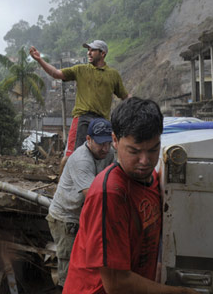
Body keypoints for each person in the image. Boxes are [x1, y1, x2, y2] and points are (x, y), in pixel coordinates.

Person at [63, 97, 197, 294]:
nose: (145, 160)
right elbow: (116, 283)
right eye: (134, 151)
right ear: (115, 140)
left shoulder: (150, 179)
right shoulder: (110, 193)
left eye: (153, 150)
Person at [29, 40, 128, 171]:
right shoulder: (80, 70)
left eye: (92, 50)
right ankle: (62, 187)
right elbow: (56, 74)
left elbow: (125, 97)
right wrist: (39, 60)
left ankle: (95, 187)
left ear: (102, 53)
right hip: (82, 118)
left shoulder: (113, 75)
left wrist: (139, 107)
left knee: (103, 157)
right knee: (71, 155)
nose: (89, 53)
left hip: (102, 121)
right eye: (88, 50)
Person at [46, 117, 115, 287]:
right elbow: (94, 196)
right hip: (65, 217)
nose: (105, 148)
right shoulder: (81, 160)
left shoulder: (109, 153)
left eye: (108, 143)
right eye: (100, 144)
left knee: (85, 265)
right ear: (89, 140)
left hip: (81, 214)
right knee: (69, 266)